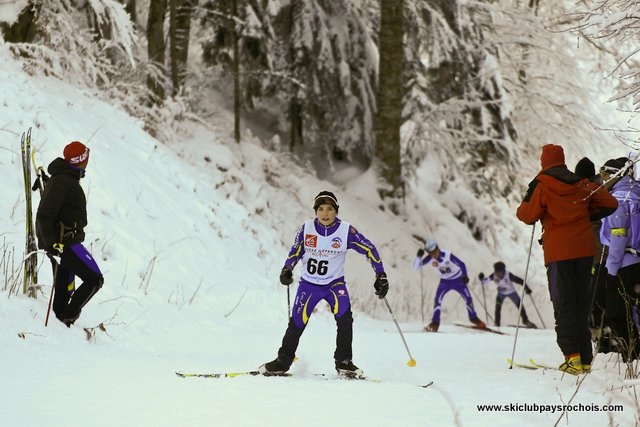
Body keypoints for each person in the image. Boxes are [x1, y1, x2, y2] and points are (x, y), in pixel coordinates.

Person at [259, 191, 388, 378]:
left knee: (345, 321)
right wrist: (287, 269)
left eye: (329, 209)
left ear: (336, 211)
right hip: (309, 285)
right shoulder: (307, 228)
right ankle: (282, 362)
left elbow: (369, 248)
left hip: (334, 285)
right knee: (296, 323)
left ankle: (344, 363)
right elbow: (295, 250)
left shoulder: (345, 231)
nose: (325, 213)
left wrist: (381, 275)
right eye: (320, 209)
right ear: (316, 211)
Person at [516, 144, 617, 374]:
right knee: (581, 304)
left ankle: (572, 358)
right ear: (562, 160)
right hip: (584, 252)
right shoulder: (580, 184)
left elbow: (526, 215)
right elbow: (610, 203)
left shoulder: (541, 184)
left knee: (563, 304)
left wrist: (529, 198)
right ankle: (585, 359)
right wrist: (587, 213)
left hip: (559, 254)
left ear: (544, 161)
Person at [36, 141, 103, 327]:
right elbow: (44, 214)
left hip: (64, 242)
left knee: (63, 294)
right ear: (81, 161)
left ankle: (62, 324)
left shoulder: (64, 178)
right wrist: (51, 244)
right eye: (86, 158)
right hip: (65, 244)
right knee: (95, 279)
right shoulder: (64, 182)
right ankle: (70, 316)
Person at [599, 158, 640, 360]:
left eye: (604, 175)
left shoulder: (618, 198)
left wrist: (611, 270)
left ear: (615, 174)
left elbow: (618, 236)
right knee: (635, 310)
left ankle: (632, 357)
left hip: (624, 263)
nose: (602, 180)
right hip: (638, 261)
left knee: (618, 314)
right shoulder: (637, 192)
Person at [413, 239, 485, 332]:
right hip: (445, 282)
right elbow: (416, 267)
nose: (434, 254)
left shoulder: (447, 255)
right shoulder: (430, 258)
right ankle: (435, 323)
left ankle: (473, 318)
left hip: (458, 280)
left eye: (435, 251)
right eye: (431, 253)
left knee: (468, 299)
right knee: (437, 300)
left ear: (438, 248)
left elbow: (461, 264)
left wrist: (465, 275)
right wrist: (418, 257)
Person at [574, 157, 609, 339]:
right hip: (596, 249)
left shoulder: (591, 191)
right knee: (595, 296)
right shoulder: (597, 189)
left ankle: (600, 336)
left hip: (596, 251)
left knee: (594, 296)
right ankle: (599, 334)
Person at [478, 261, 537, 328]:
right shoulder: (493, 275)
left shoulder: (508, 275)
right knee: (497, 308)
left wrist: (527, 289)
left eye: (499, 272)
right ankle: (497, 323)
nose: (498, 274)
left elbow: (521, 281)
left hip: (511, 292)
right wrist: (481, 278)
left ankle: (525, 321)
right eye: (496, 272)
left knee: (520, 306)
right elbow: (484, 282)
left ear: (503, 271)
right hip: (501, 294)